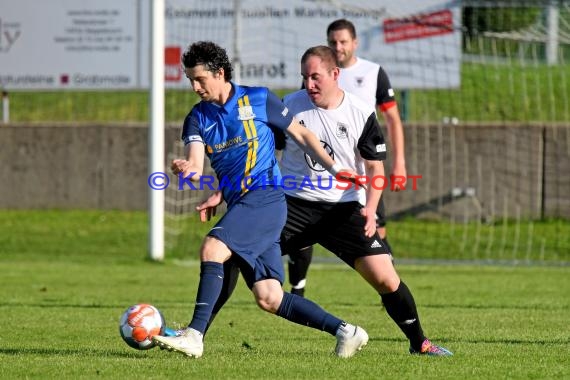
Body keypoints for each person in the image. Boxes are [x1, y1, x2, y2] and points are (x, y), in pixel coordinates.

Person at [203, 45, 452, 356]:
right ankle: (196, 334)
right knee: (233, 253)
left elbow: (375, 168)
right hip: (291, 204)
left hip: (344, 209)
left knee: (386, 279)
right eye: (305, 77)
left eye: (316, 77)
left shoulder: (361, 111)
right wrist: (224, 189)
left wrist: (371, 211)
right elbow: (258, 151)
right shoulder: (289, 106)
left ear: (336, 75)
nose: (309, 85)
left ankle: (421, 344)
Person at [152, 41, 368, 359]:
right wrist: (186, 169)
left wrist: (336, 168)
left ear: (220, 73)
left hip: (266, 199)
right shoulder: (197, 118)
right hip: (240, 204)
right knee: (269, 297)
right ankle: (347, 332)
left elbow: (304, 134)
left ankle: (195, 336)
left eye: (199, 79)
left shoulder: (258, 99)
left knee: (212, 248)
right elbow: (196, 166)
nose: (194, 87)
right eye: (190, 80)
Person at [287, 19, 407, 297]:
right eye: (333, 42)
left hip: (357, 179)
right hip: (310, 180)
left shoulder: (373, 73)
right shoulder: (310, 81)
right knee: (299, 237)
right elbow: (299, 127)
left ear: (355, 43)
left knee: (376, 233)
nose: (338, 46)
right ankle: (297, 288)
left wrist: (399, 162)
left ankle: (390, 287)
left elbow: (392, 119)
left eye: (343, 41)